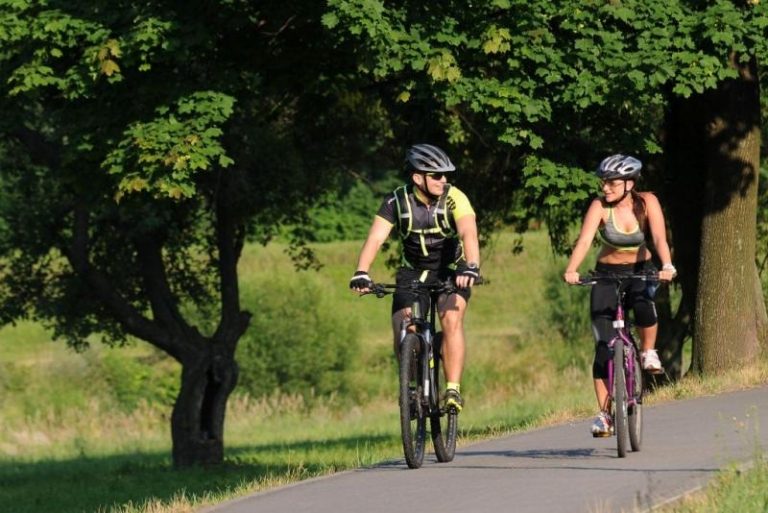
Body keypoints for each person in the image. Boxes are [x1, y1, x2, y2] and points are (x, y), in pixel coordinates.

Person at [349, 143, 480, 412]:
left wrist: (471, 266)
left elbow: (468, 231)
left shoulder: (455, 197)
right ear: (417, 178)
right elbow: (375, 238)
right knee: (403, 326)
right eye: (436, 175)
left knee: (451, 318)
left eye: (445, 175)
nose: (443, 180)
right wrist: (362, 271)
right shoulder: (395, 201)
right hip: (413, 272)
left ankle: (452, 390)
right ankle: (410, 386)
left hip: (452, 271)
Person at [563, 154, 676, 437]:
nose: (605, 188)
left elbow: (660, 238)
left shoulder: (647, 202)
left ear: (629, 183)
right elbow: (586, 240)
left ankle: (648, 352)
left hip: (640, 270)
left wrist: (667, 265)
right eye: (604, 183)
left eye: (611, 183)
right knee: (603, 345)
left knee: (643, 306)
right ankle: (604, 415)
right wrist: (572, 269)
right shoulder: (599, 206)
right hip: (606, 274)